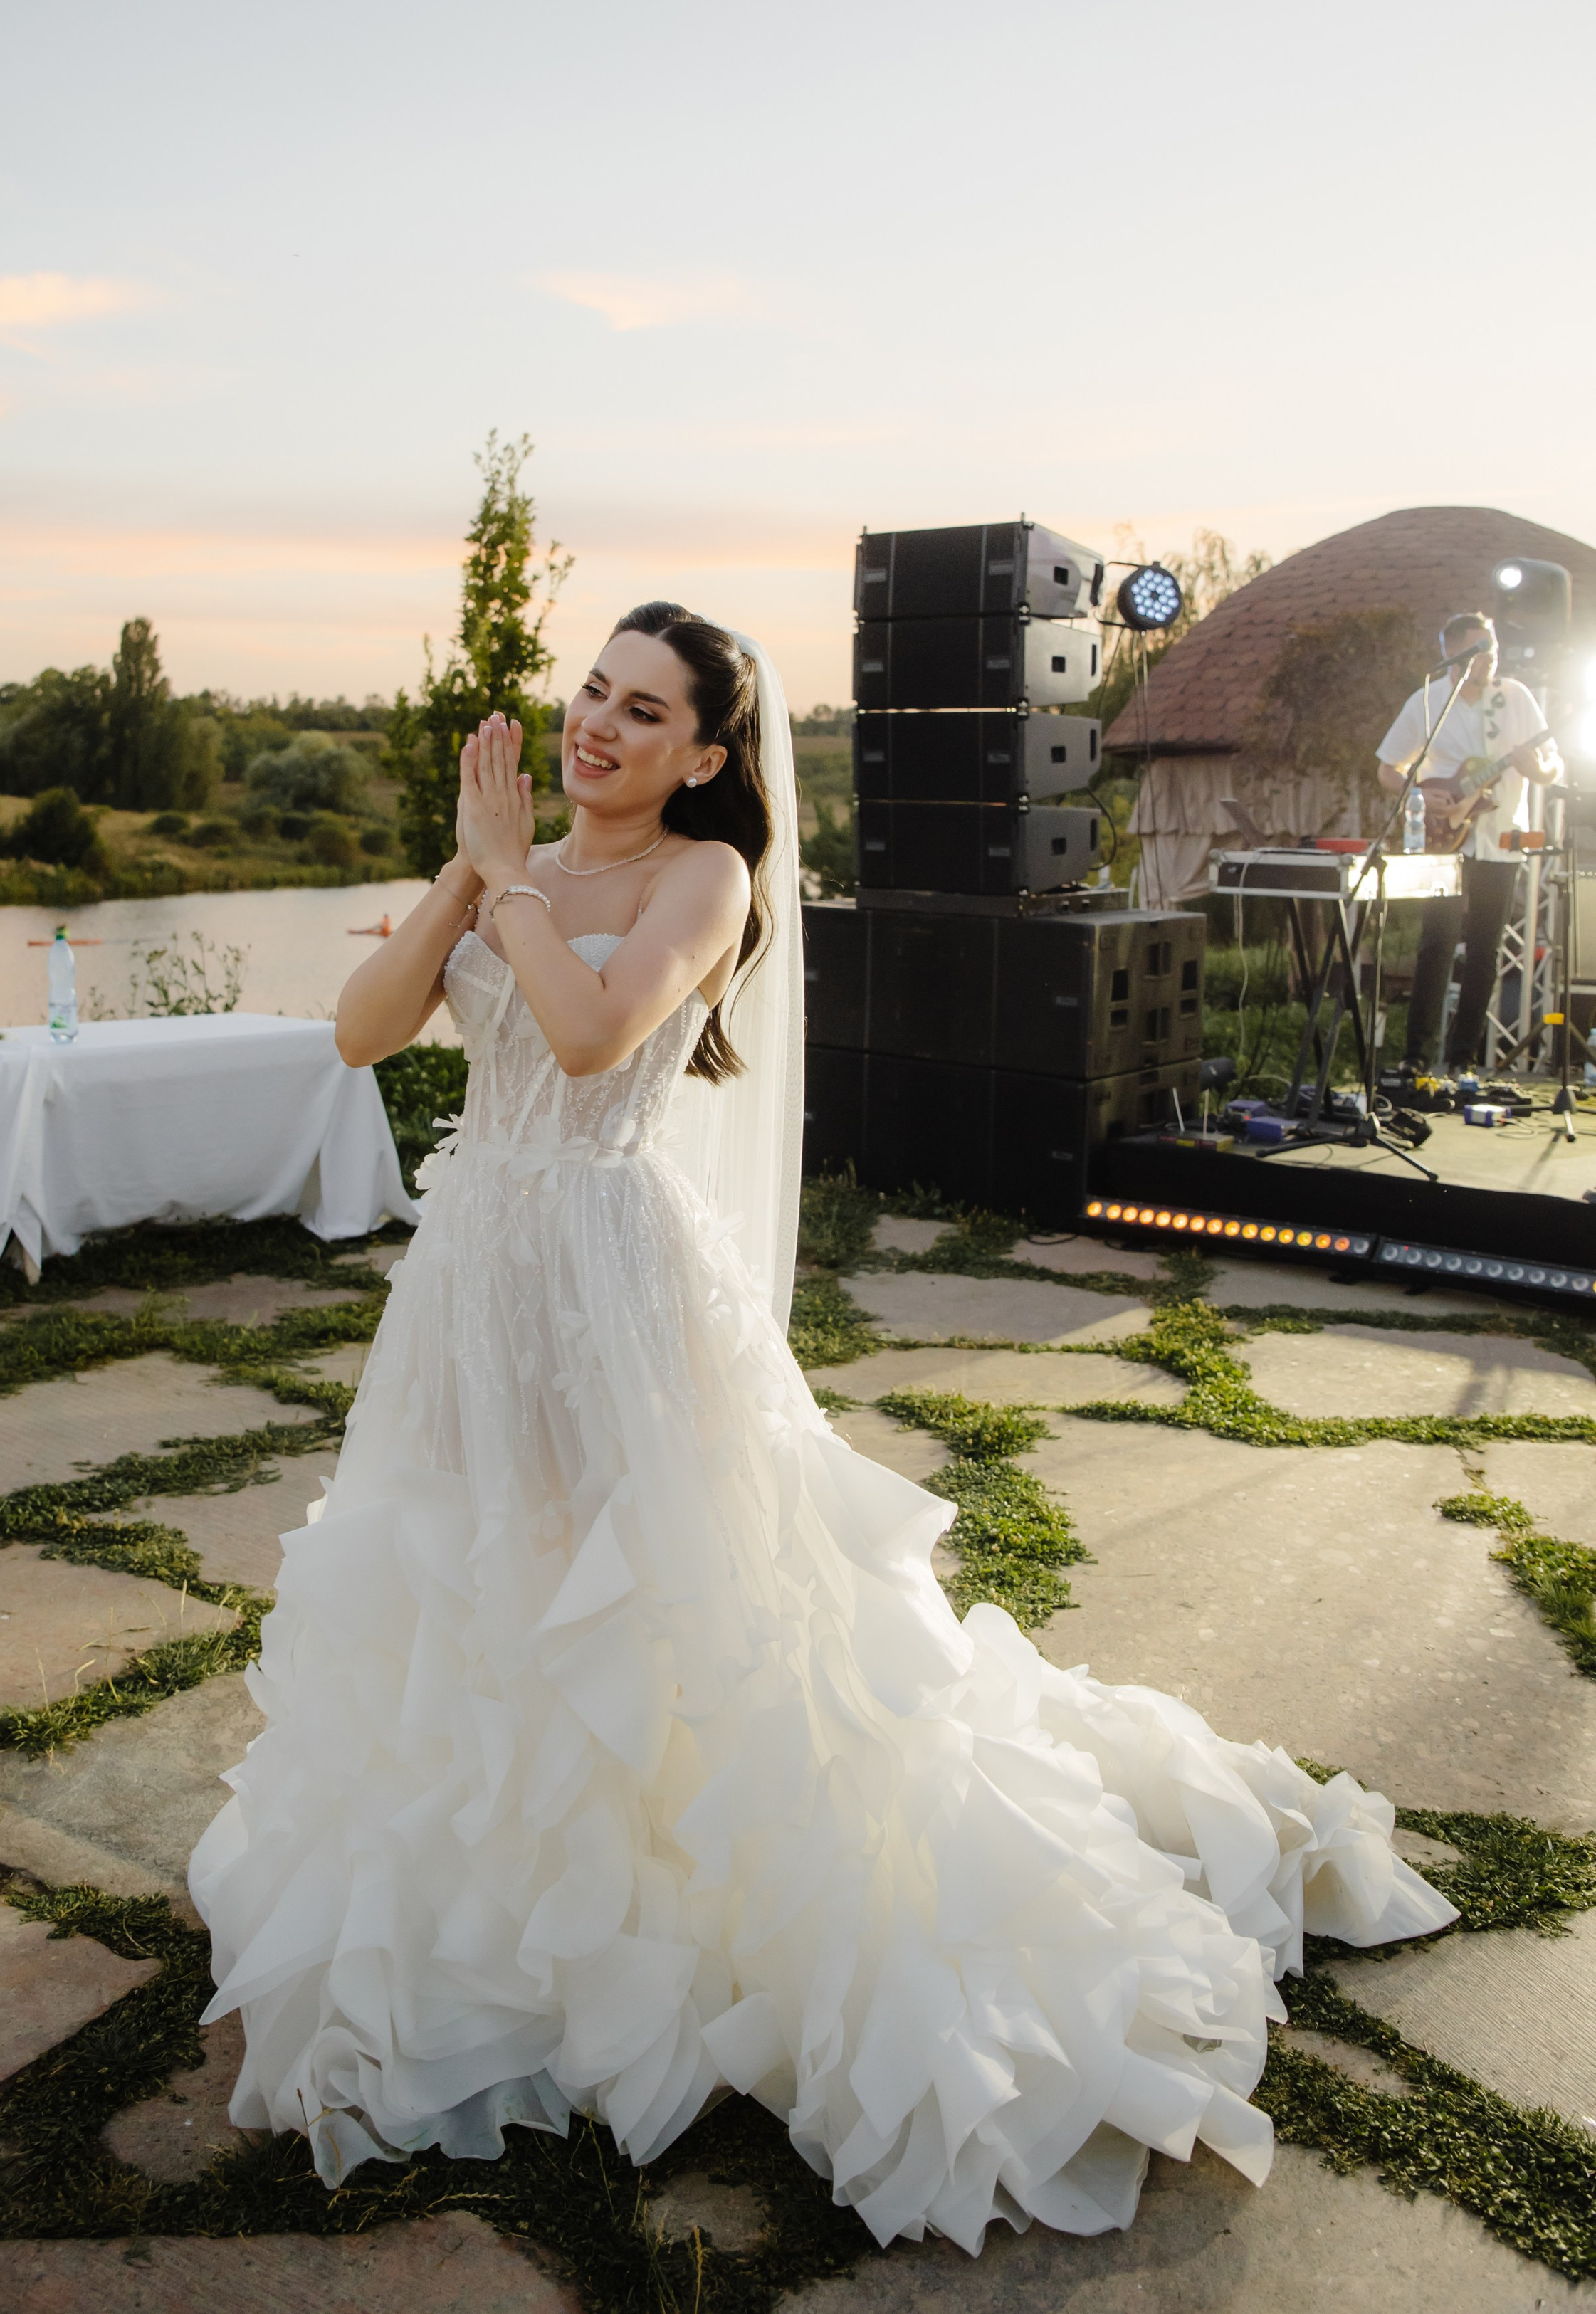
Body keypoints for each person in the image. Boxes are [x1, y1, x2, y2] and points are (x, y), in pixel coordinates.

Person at [190, 601, 1452, 2253]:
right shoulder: (511, 863)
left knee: (645, 1590)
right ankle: (505, 1914)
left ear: (707, 754)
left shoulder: (696, 882)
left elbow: (585, 1035)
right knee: (483, 1572)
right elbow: (360, 1032)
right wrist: (466, 867)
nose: (599, 726)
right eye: (593, 690)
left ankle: (677, 1903)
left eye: (644, 712)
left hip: (607, 1278)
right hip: (472, 1281)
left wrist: (503, 880)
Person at [1376, 612, 1562, 1074]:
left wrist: (1537, 770)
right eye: (1481, 649)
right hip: (1444, 841)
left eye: (1494, 647)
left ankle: (1463, 1062)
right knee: (1435, 943)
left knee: (1486, 949)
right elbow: (1387, 768)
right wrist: (1419, 794)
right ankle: (1416, 1057)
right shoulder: (1429, 701)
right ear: (1453, 653)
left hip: (1499, 839)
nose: (1491, 657)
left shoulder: (1516, 697)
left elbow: (1552, 762)